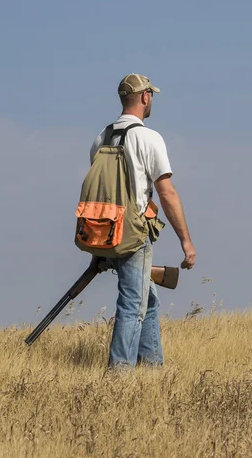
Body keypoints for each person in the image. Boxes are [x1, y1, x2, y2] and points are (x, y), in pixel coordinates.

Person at [90, 73, 196, 368]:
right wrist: (185, 241)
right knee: (133, 304)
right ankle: (120, 375)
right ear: (145, 97)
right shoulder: (149, 138)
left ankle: (152, 369)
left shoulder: (101, 137)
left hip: (103, 231)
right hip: (133, 234)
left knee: (146, 300)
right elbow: (167, 193)